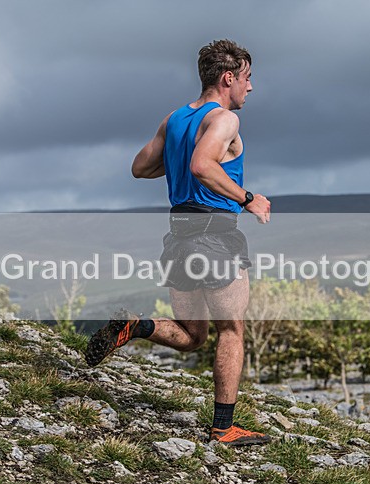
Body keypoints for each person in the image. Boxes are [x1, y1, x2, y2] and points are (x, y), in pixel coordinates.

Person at [86, 39, 272, 446]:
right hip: (216, 235)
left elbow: (140, 168)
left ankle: (137, 326)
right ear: (229, 78)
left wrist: (179, 158)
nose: (250, 87)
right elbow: (202, 165)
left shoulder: (175, 119)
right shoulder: (224, 120)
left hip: (179, 238)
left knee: (192, 335)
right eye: (247, 78)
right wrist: (247, 198)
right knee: (232, 330)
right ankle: (224, 427)